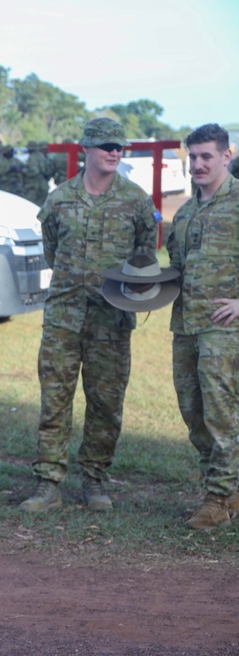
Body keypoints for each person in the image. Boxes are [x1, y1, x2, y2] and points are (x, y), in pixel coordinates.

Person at [20, 118, 159, 513]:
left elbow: (146, 255)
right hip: (64, 317)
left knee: (106, 403)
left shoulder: (134, 200)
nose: (114, 152)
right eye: (106, 146)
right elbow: (52, 250)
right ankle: (48, 483)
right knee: (55, 401)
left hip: (111, 321)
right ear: (87, 149)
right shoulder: (60, 199)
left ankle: (95, 480)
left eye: (119, 147)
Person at [166, 123, 239, 529]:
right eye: (192, 157)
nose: (197, 164)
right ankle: (230, 489)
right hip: (185, 328)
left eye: (206, 156)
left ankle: (216, 501)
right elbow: (178, 268)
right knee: (193, 414)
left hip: (224, 332)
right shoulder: (186, 213)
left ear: (226, 156)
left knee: (222, 416)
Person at [23, 141, 55, 206]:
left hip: (34, 185)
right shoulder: (41, 156)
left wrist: (23, 171)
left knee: (30, 204)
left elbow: (34, 171)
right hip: (43, 184)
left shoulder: (33, 157)